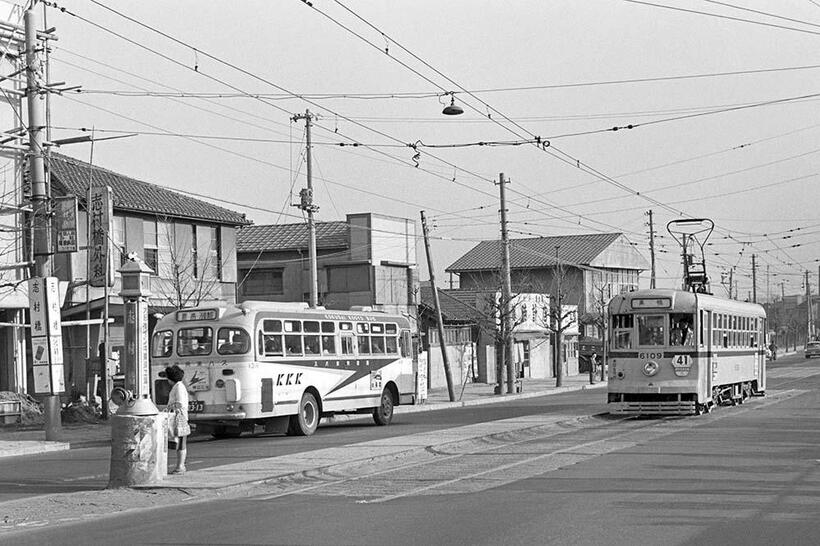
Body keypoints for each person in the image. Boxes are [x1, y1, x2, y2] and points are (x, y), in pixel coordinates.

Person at [165, 365, 191, 474]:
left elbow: (180, 403)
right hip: (179, 417)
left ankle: (180, 466)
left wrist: (169, 408)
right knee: (179, 442)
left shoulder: (178, 387)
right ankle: (180, 466)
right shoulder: (178, 386)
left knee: (180, 442)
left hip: (179, 418)